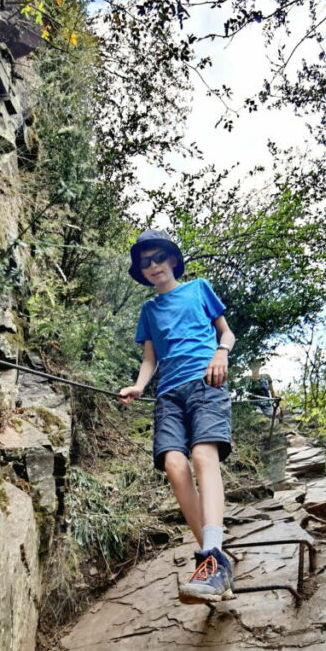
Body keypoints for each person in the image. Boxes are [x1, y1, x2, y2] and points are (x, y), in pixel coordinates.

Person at [118, 230, 236, 604]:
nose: (152, 266)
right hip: (168, 393)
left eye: (157, 258)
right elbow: (150, 359)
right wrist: (139, 386)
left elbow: (226, 333)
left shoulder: (199, 288)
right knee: (173, 464)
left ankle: (211, 558)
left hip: (206, 382)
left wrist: (221, 354)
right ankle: (214, 564)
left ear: (172, 260)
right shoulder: (149, 311)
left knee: (203, 456)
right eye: (145, 263)